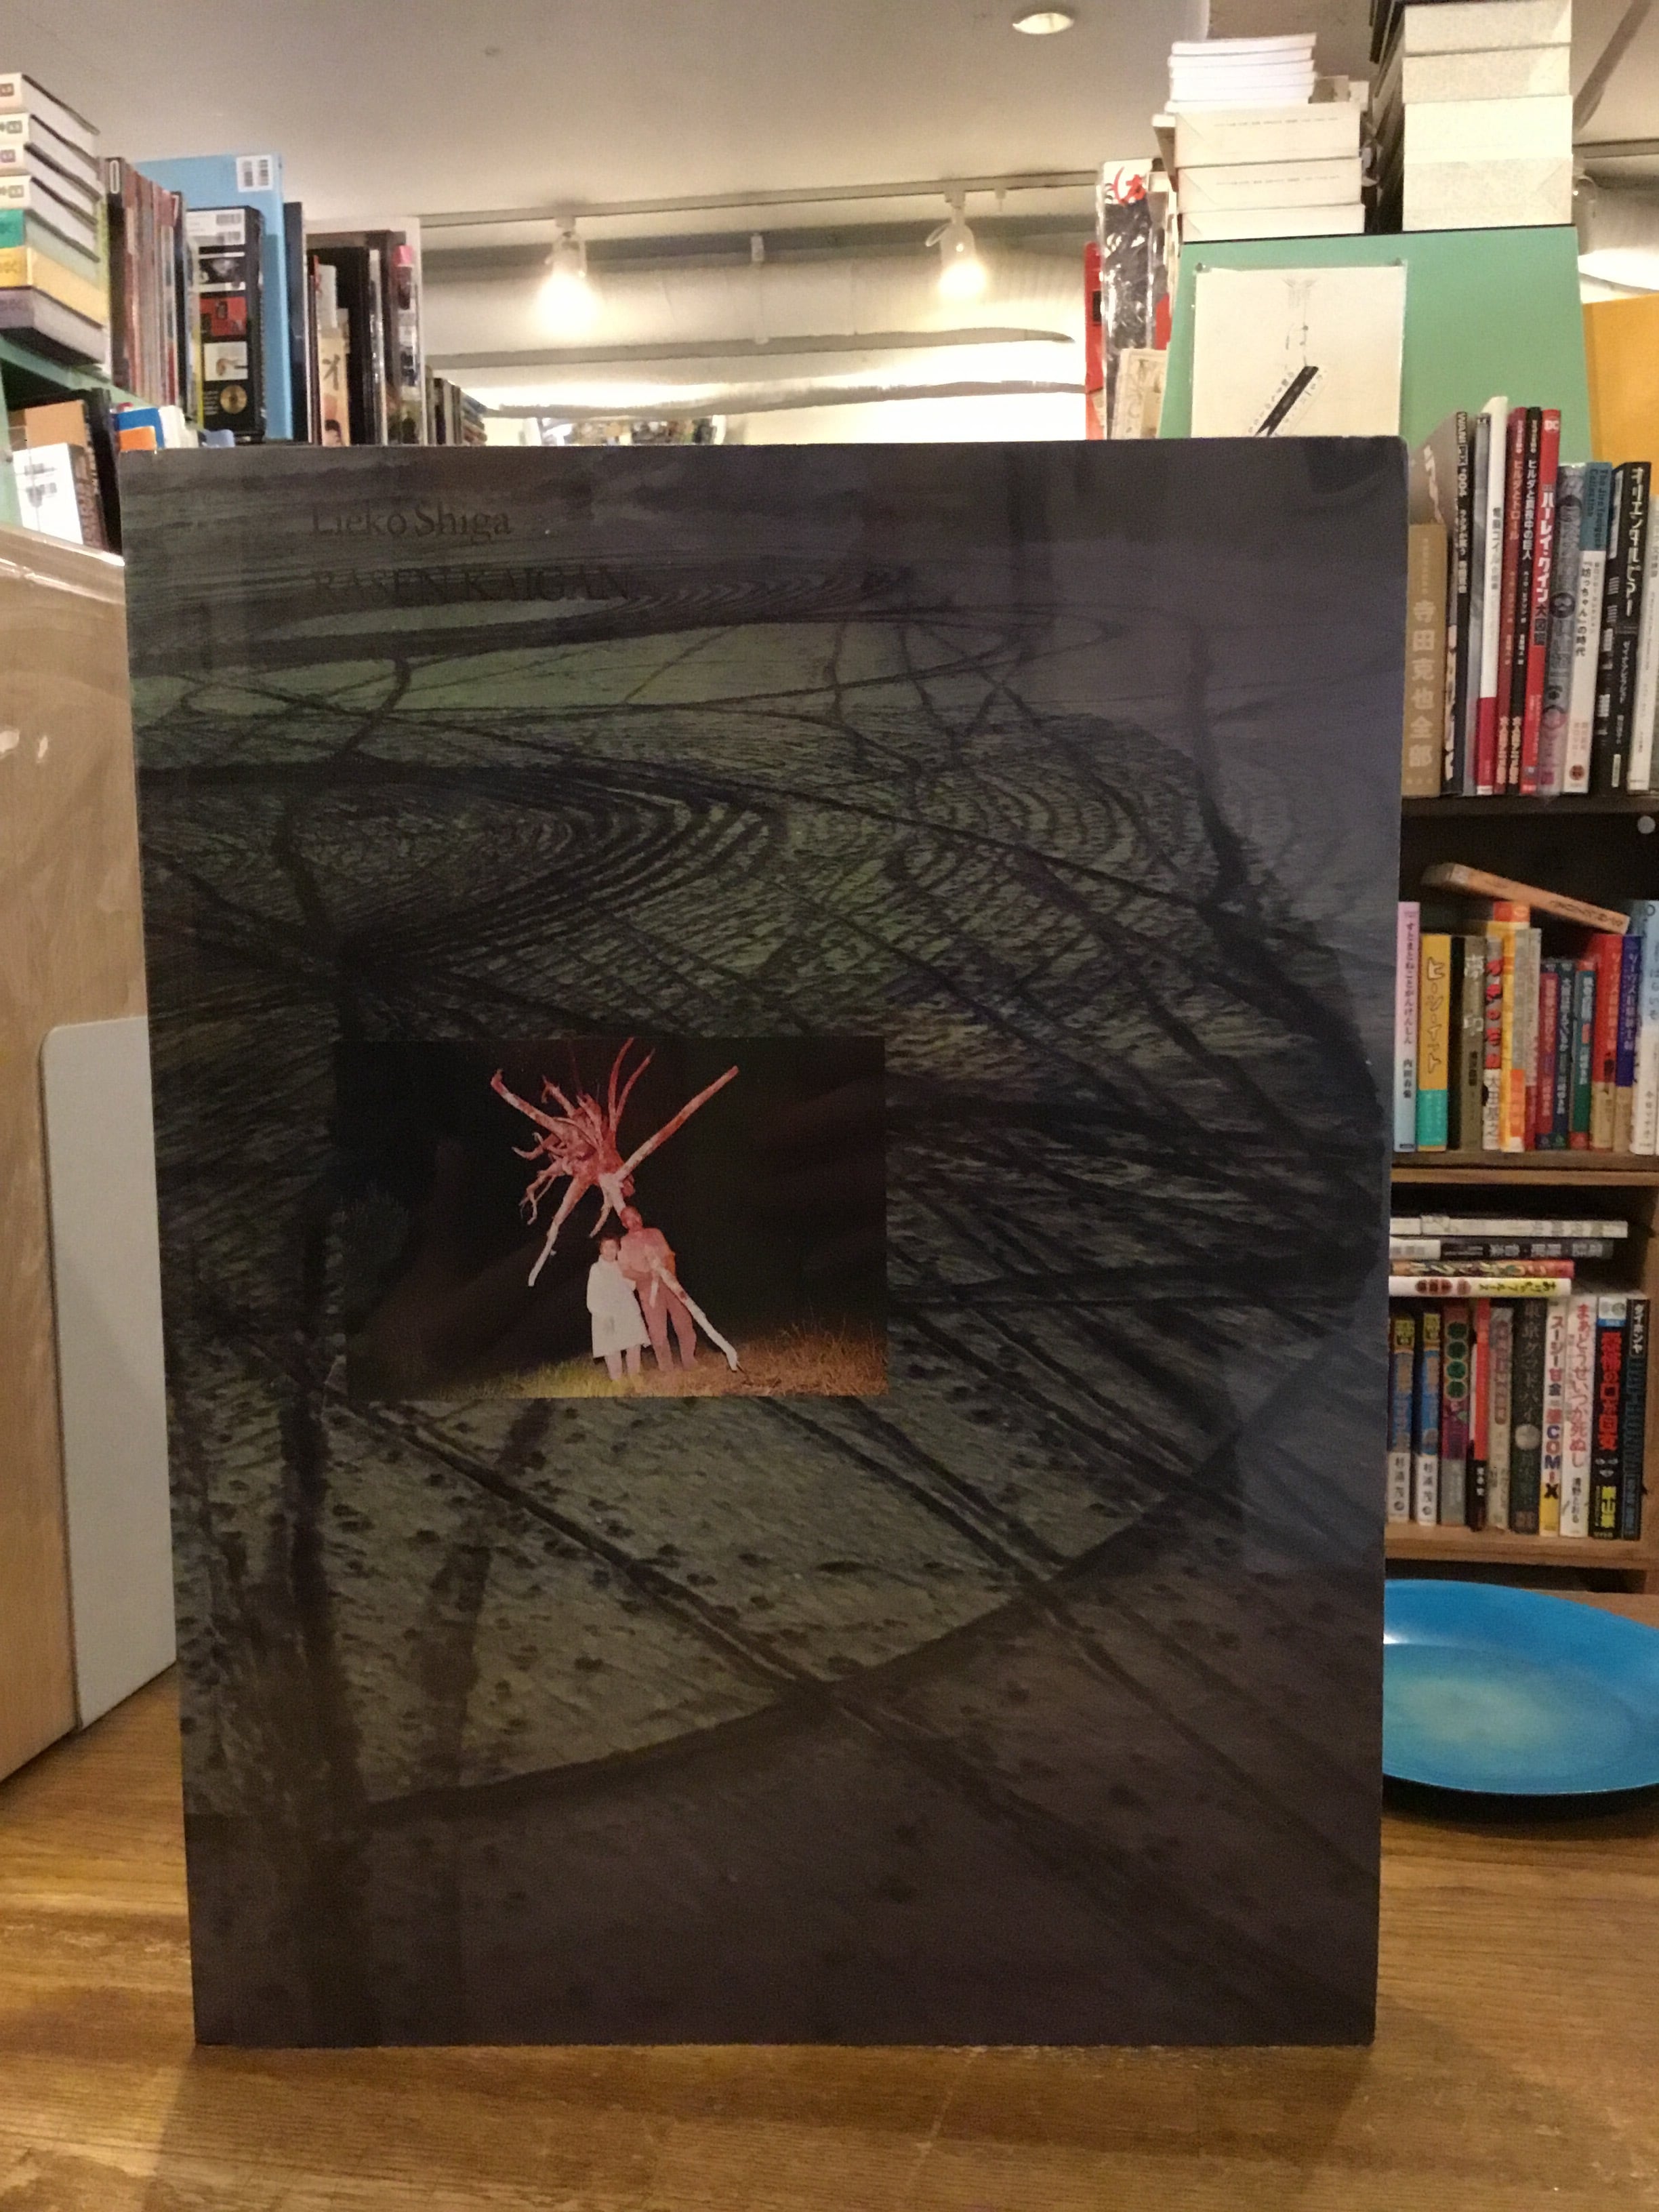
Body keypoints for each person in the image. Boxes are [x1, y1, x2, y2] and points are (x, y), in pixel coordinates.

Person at [617, 1205, 697, 1372]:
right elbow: (625, 1270)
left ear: (640, 1216)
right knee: (657, 1330)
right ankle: (666, 1368)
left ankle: (690, 1361)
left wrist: (671, 1277)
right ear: (624, 1224)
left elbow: (669, 1255)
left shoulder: (655, 1233)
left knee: (684, 1322)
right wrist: (648, 1275)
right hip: (647, 1289)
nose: (634, 1221)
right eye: (628, 1219)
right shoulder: (624, 1243)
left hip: (669, 1282)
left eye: (635, 1216)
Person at [586, 1235, 647, 1383]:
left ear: (618, 1249)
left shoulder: (621, 1266)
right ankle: (617, 1380)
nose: (609, 1251)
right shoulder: (596, 1269)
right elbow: (592, 1295)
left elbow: (632, 1286)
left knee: (633, 1343)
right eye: (605, 1247)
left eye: (612, 1247)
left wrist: (626, 1268)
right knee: (611, 1347)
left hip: (626, 1310)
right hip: (607, 1313)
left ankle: (635, 1376)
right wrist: (602, 1314)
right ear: (601, 1250)